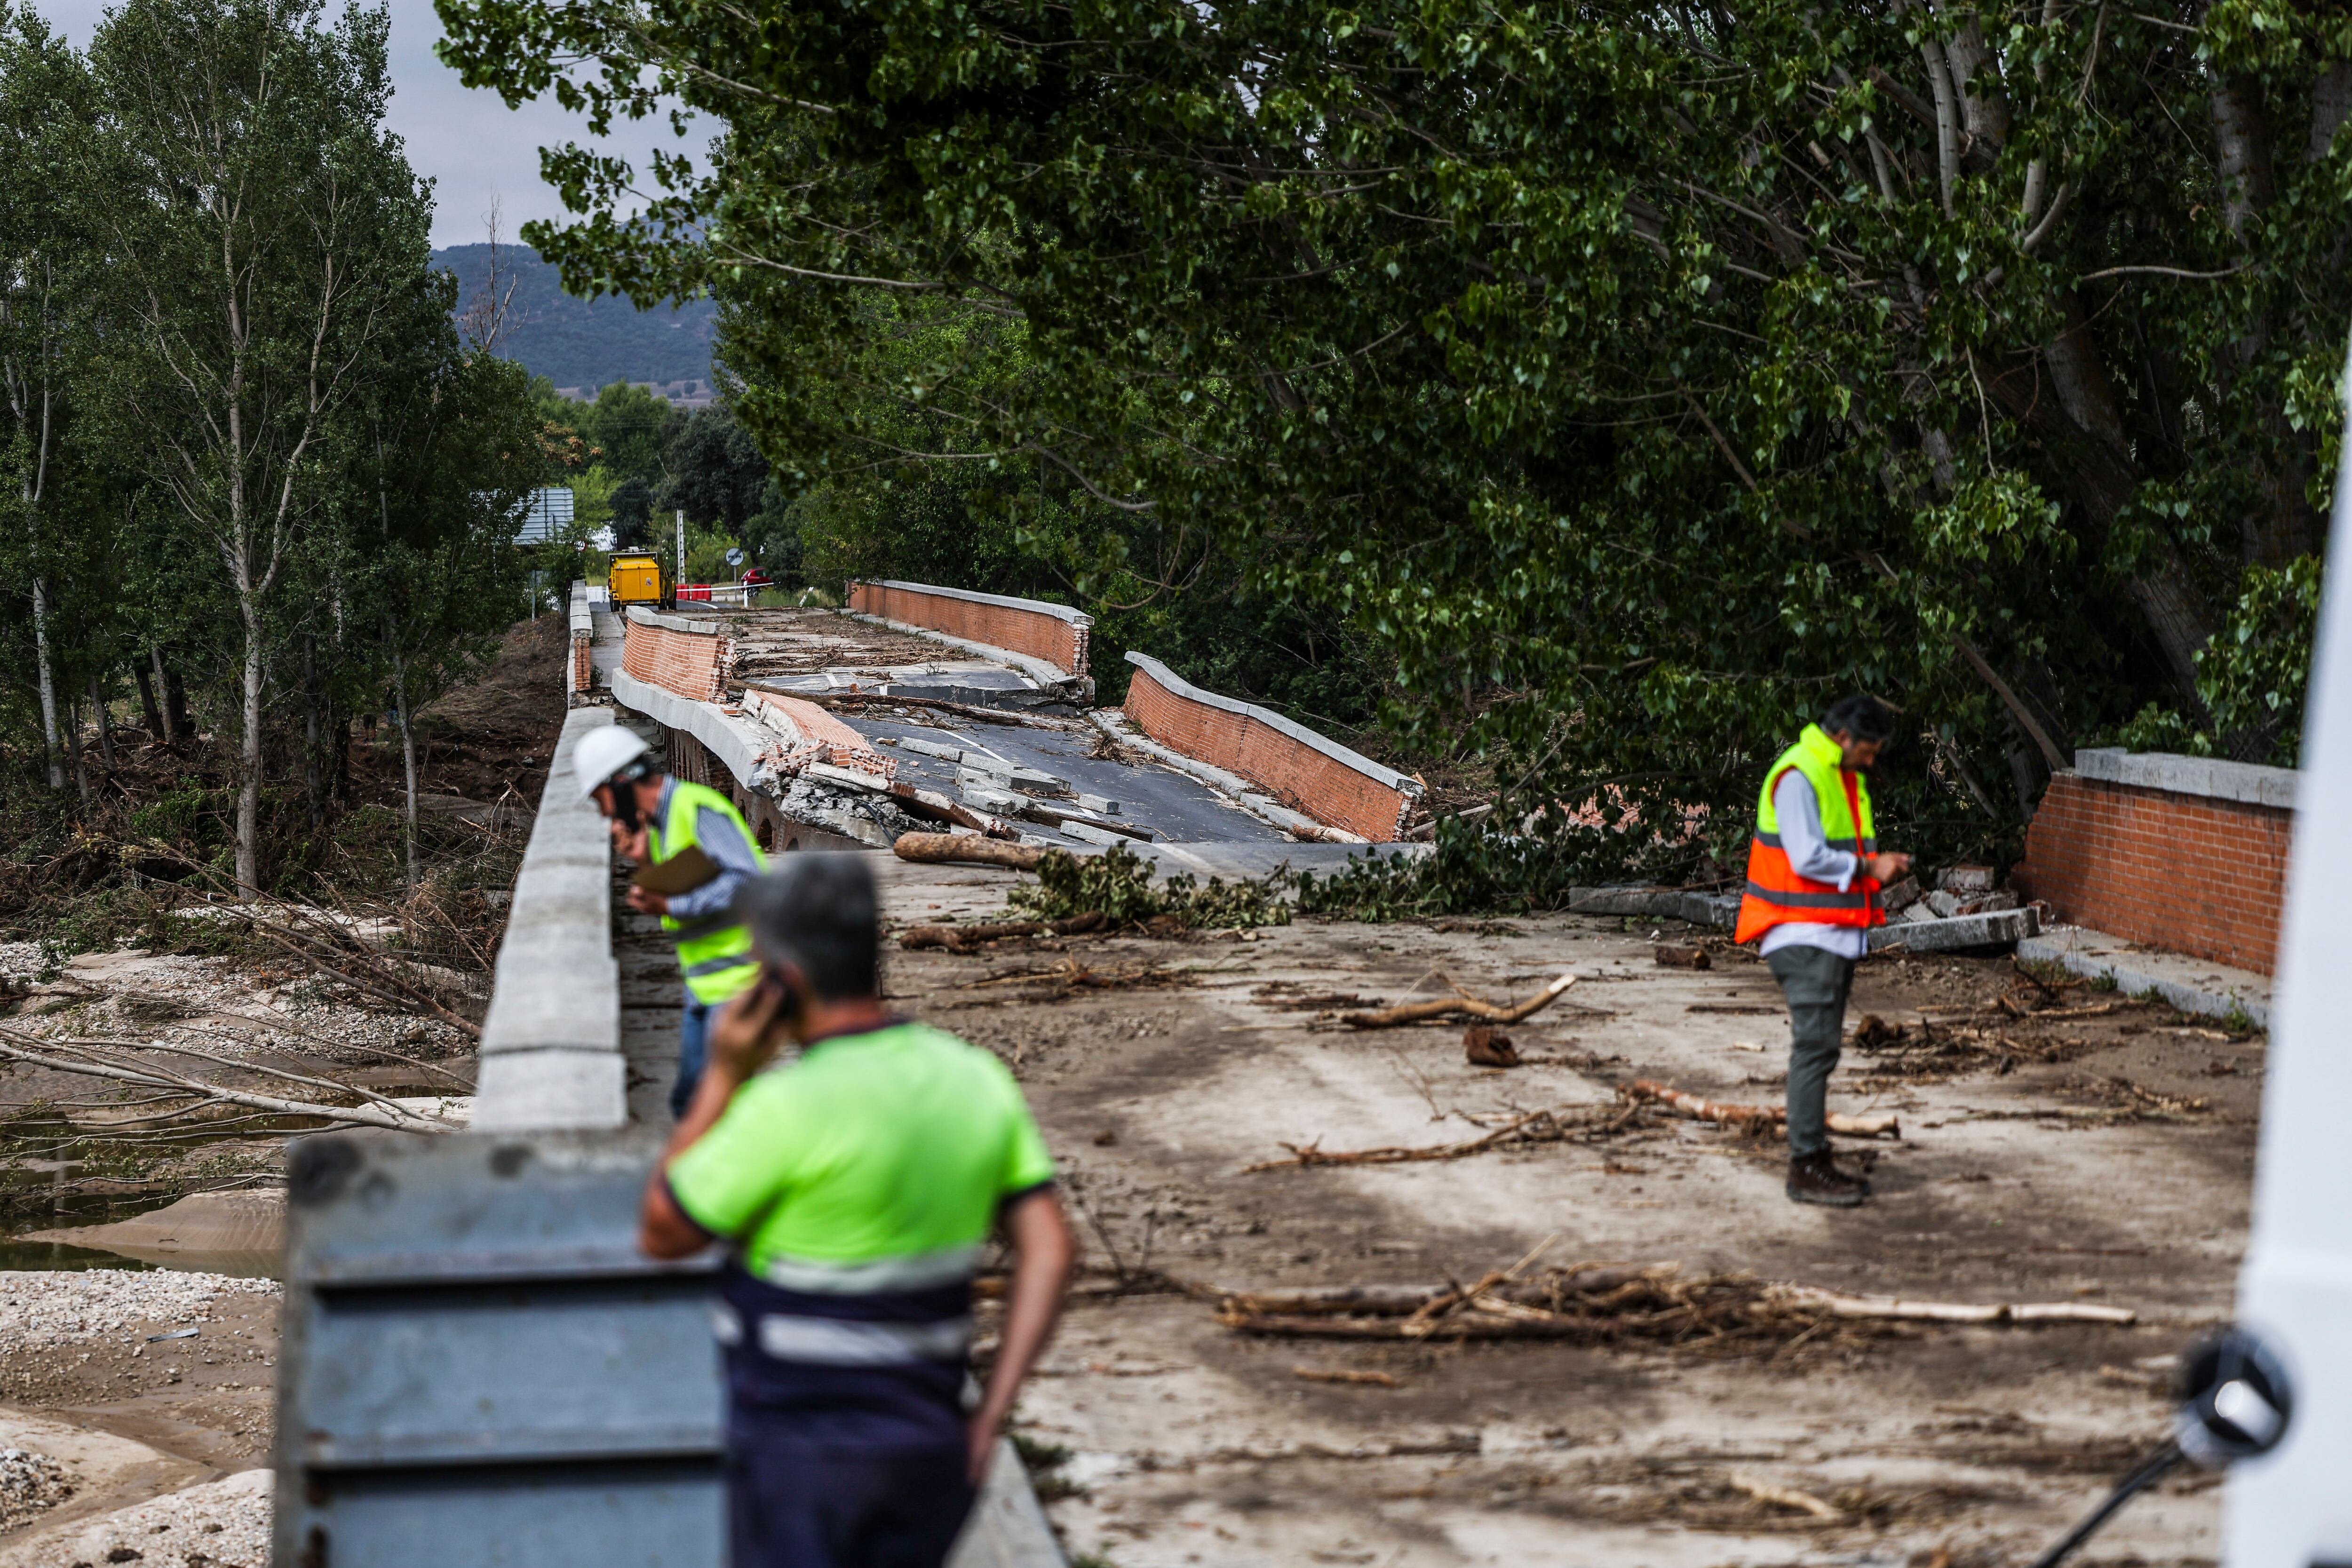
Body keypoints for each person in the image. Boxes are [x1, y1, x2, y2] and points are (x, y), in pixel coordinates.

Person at [637, 854, 1076, 1568]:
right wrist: (991, 1416)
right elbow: (1052, 1251)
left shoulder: (784, 1108)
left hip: (800, 1457)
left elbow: (662, 1230)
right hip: (929, 1451)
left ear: (785, 982)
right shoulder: (974, 1078)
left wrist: (724, 1073)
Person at [1732, 695, 1913, 1208]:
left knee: (1822, 1048)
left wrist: (1873, 864)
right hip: (1799, 933)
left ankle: (1813, 1158)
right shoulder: (1799, 775)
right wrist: (1869, 869)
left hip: (1824, 933)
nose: (1872, 760)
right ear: (1843, 738)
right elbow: (1807, 856)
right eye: (1870, 750)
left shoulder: (1834, 774)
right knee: (1814, 1048)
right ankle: (1805, 1166)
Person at [571, 726, 766, 1117]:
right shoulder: (659, 828)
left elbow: (748, 882)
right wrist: (644, 862)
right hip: (707, 987)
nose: (606, 813)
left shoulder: (695, 808)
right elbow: (678, 897)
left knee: (713, 1108)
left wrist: (674, 905)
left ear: (621, 783)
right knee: (690, 1102)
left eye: (602, 800)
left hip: (745, 982)